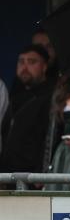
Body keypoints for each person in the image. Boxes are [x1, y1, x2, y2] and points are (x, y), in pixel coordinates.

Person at [0, 45, 54, 182]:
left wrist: (40, 173)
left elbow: (48, 138)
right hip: (8, 175)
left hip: (32, 178)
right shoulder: (14, 96)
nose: (24, 67)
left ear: (44, 66)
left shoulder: (51, 98)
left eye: (32, 62)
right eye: (21, 61)